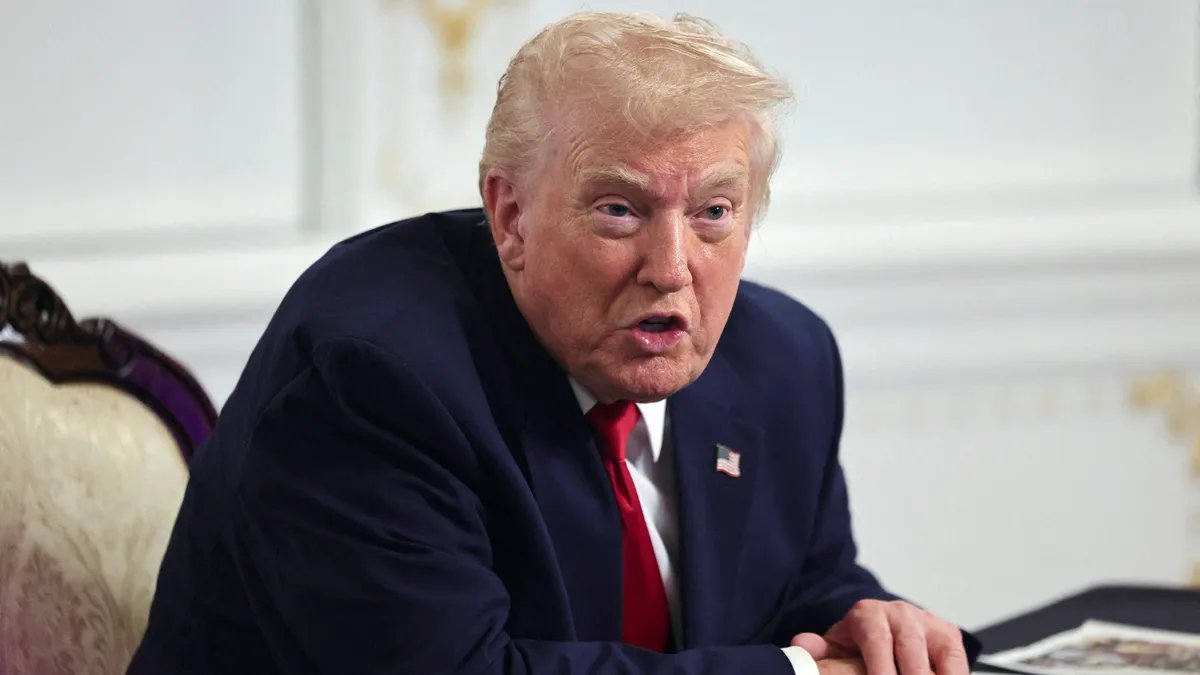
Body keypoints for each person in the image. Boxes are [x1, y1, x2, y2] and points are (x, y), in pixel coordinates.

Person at [130, 11, 979, 675]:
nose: (672, 269)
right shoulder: (372, 373)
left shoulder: (782, 362)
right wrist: (795, 668)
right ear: (510, 215)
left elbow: (796, 585)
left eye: (714, 211)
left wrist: (866, 621)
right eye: (620, 209)